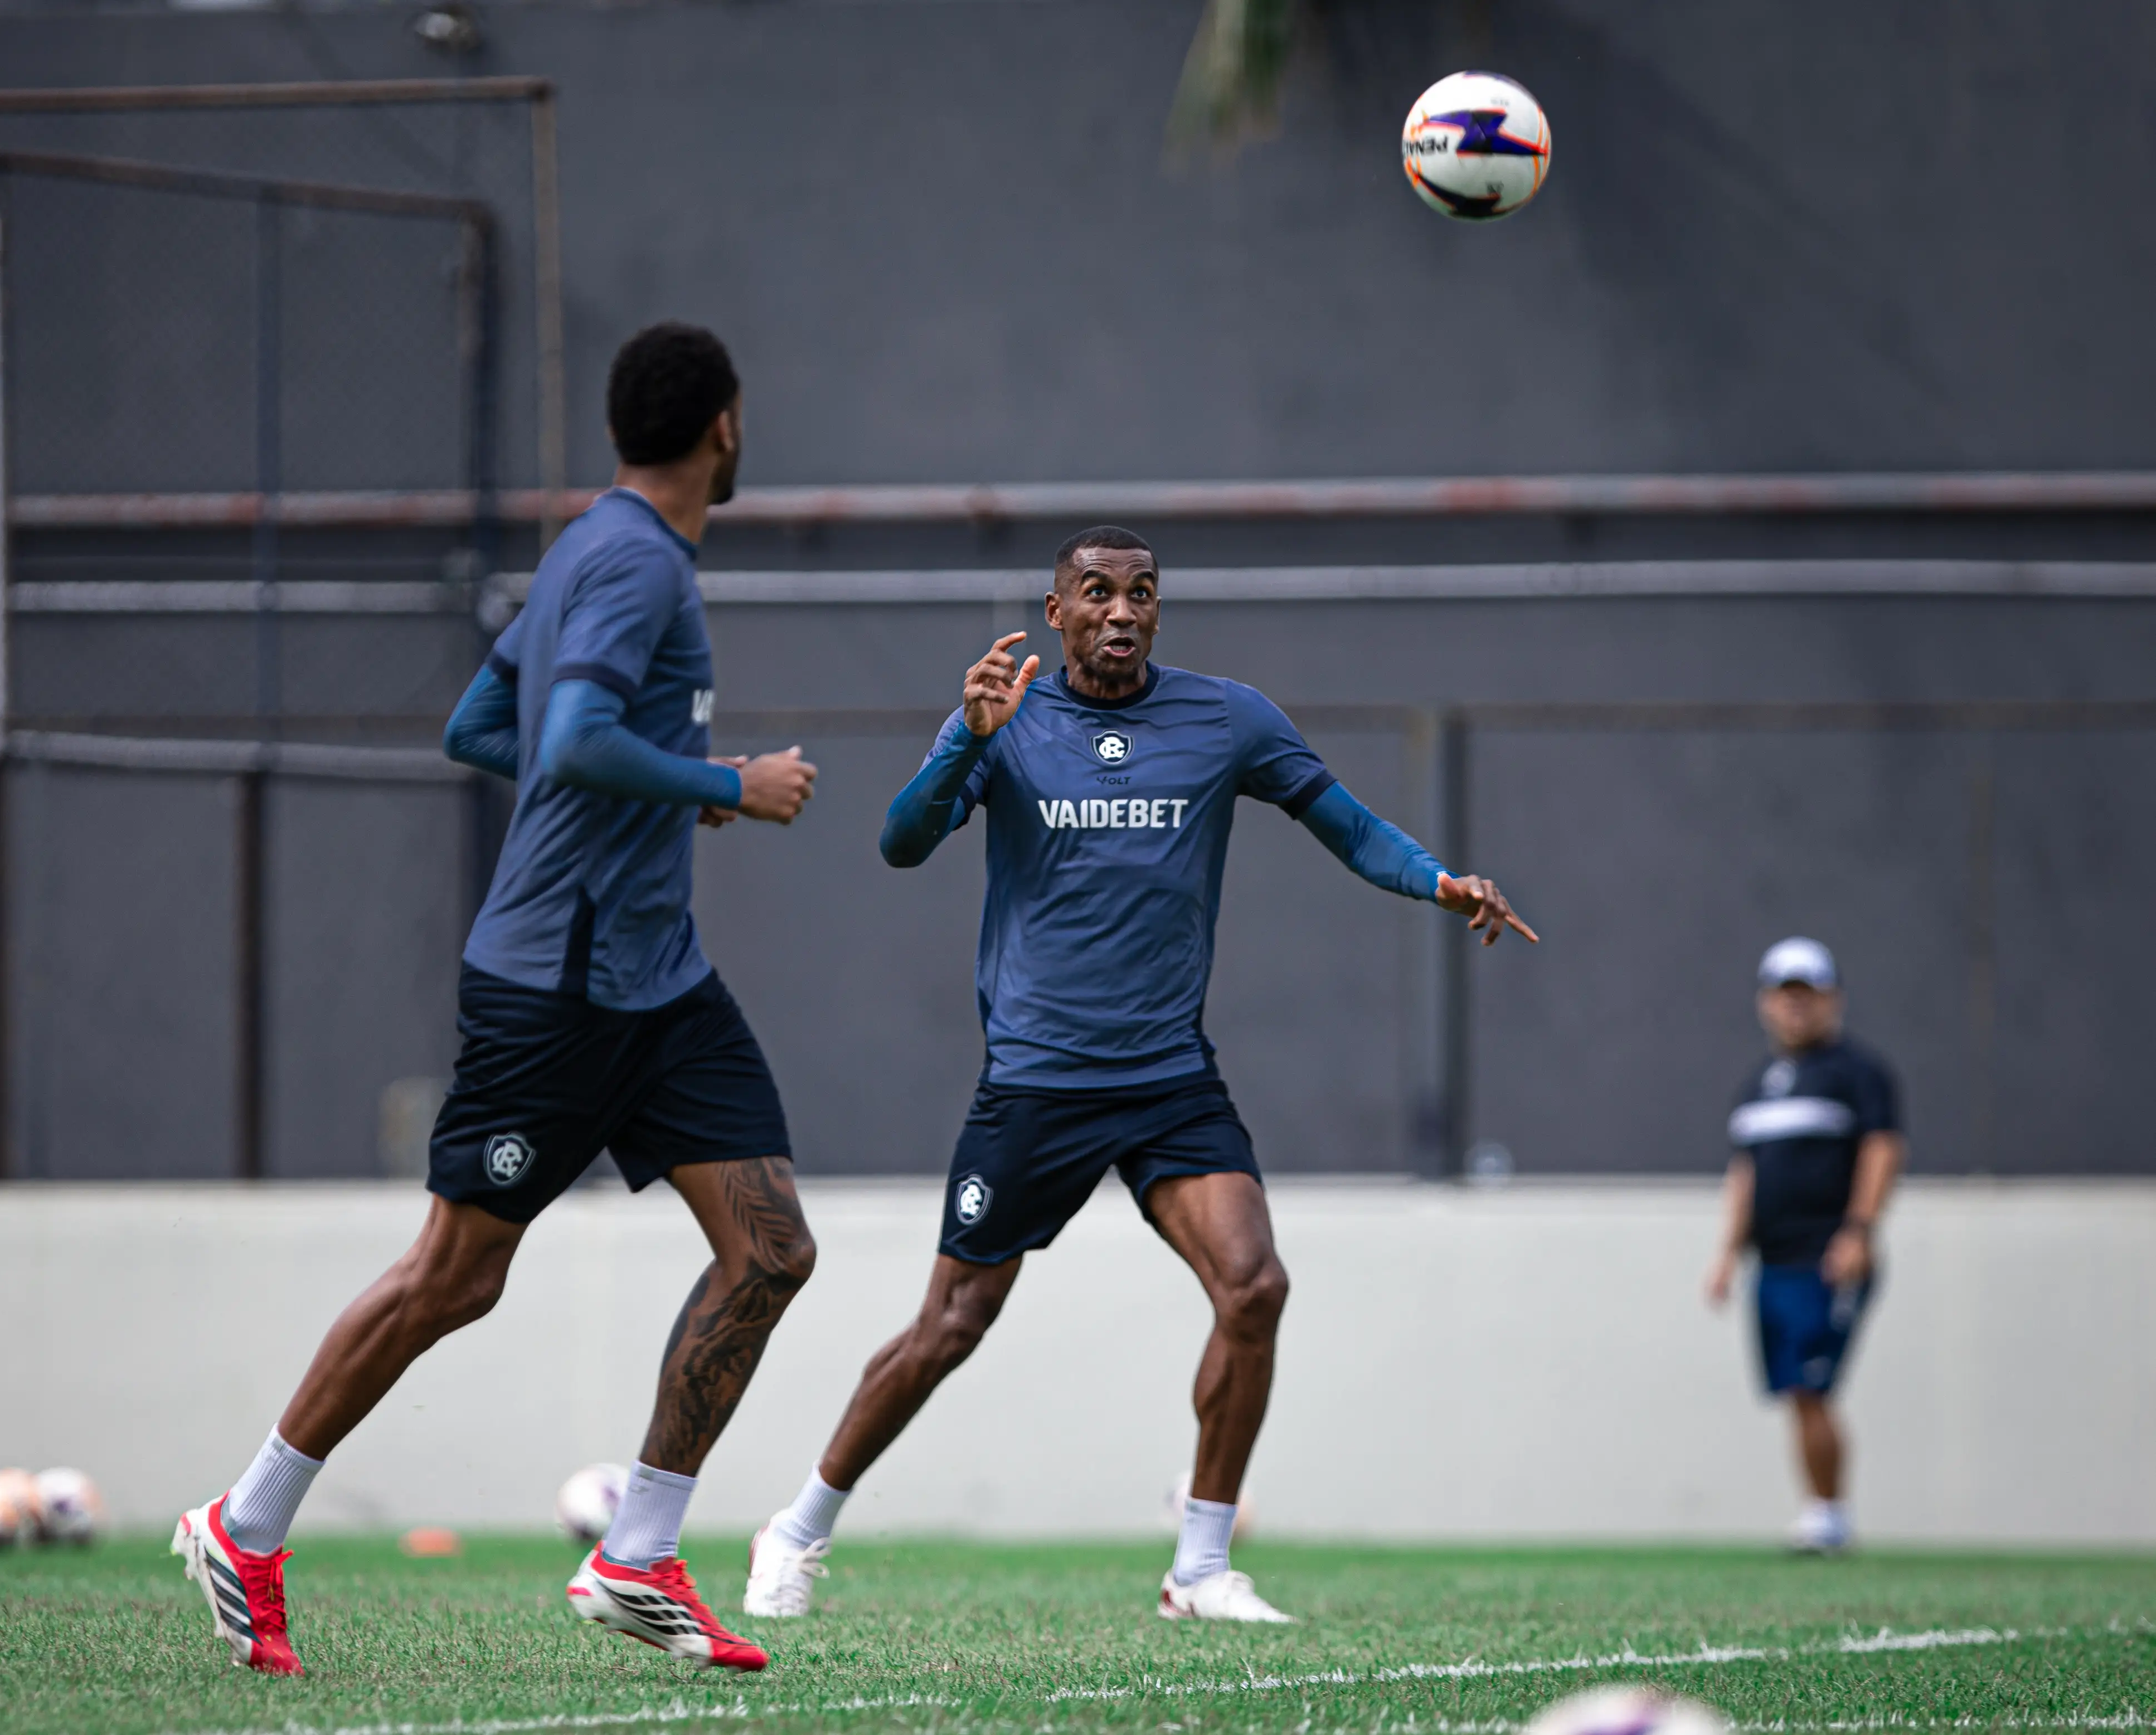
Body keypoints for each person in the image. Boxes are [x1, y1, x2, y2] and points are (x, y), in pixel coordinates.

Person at [173, 323, 820, 1676]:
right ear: (728, 425)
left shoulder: (592, 545)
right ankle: (246, 1520)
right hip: (558, 989)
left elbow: (485, 727)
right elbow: (573, 740)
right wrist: (724, 787)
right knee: (454, 1277)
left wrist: (626, 817)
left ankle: (638, 1551)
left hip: (658, 979)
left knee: (769, 1248)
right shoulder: (635, 562)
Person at [739, 527, 1538, 1624]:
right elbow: (899, 842)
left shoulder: (1229, 717)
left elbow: (1348, 827)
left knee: (1253, 1284)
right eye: (1098, 592)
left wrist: (1440, 879)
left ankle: (1201, 1565)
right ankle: (796, 1529)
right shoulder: (1003, 714)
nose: (1122, 609)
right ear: (1058, 612)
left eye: (1143, 593)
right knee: (952, 1324)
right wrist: (963, 744)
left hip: (1167, 1076)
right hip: (1036, 1082)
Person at [1704, 936, 1905, 1555]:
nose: (1795, 1007)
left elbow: (1880, 1150)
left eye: (1807, 995)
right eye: (1783, 995)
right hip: (1775, 1261)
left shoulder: (1858, 1073)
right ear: (1766, 1002)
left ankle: (1827, 1512)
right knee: (1795, 1390)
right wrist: (1727, 1254)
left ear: (1831, 1000)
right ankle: (1818, 1509)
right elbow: (1746, 1175)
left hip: (1827, 1255)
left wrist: (1858, 1231)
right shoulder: (1759, 1085)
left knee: (1812, 1386)